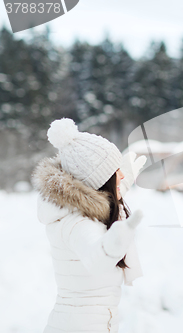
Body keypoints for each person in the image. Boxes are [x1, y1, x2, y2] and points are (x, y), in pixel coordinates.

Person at [32, 118, 146, 333]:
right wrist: (113, 243)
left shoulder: (82, 210)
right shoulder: (77, 223)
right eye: (116, 171)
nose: (121, 175)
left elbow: (102, 199)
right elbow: (96, 257)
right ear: (99, 181)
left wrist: (125, 180)